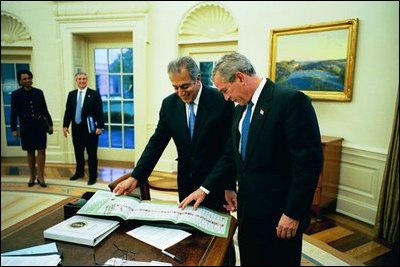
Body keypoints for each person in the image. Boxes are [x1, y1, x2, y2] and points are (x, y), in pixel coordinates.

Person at [180, 53, 323, 266]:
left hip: (279, 216)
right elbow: (231, 155)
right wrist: (205, 189)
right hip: (249, 213)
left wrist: (293, 213)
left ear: (240, 77)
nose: (226, 98)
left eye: (225, 91)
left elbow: (308, 165)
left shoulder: (290, 101)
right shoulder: (239, 110)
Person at [113, 56, 236, 211]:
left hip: (216, 183)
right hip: (186, 182)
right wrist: (136, 176)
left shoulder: (221, 100)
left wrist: (230, 186)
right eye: (175, 87)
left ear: (198, 79)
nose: (180, 93)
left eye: (185, 86)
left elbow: (230, 148)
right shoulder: (169, 104)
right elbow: (156, 143)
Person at [10, 70, 53, 188]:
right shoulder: (16, 94)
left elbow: (45, 109)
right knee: (30, 151)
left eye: (29, 78)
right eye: (24, 79)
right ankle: (32, 176)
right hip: (25, 127)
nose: (27, 80)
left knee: (41, 150)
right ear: (20, 81)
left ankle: (41, 177)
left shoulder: (39, 92)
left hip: (39, 126)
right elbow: (13, 113)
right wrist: (14, 129)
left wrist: (50, 123)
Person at [63, 71, 104, 185]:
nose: (82, 81)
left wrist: (100, 126)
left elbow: (99, 112)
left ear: (87, 80)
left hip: (90, 129)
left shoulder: (94, 94)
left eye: (84, 79)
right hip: (76, 128)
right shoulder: (71, 94)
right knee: (78, 152)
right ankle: (79, 172)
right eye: (79, 79)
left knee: (91, 153)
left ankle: (93, 176)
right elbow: (68, 111)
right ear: (76, 80)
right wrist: (65, 125)